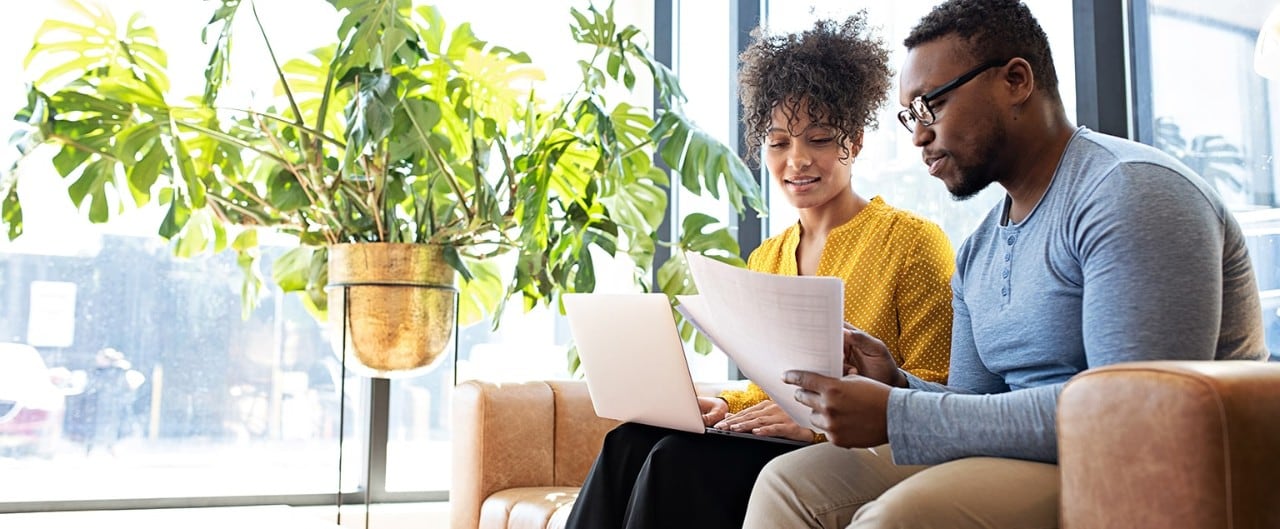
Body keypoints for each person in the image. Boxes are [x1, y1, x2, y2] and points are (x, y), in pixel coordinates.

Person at [742, 1, 1269, 528]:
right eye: (911, 116)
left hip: (1137, 467)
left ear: (1016, 80)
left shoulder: (1128, 192)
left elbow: (1127, 415)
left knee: (904, 516)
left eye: (933, 106)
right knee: (789, 485)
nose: (919, 136)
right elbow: (972, 407)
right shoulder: (979, 251)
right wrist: (899, 384)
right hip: (1031, 455)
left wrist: (897, 411)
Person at [563, 12, 956, 529]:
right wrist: (714, 403)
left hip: (856, 452)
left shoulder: (912, 243)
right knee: (628, 442)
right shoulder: (765, 258)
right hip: (775, 443)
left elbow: (937, 388)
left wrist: (815, 425)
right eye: (778, 142)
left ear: (854, 141)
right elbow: (772, 387)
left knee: (675, 463)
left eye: (818, 139)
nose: (797, 161)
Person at [82, 347, 143, 456]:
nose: (98, 360)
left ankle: (109, 450)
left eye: (101, 358)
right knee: (96, 431)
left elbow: (123, 389)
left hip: (111, 407)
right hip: (99, 406)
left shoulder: (117, 373)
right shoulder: (99, 372)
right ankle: (92, 451)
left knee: (108, 430)